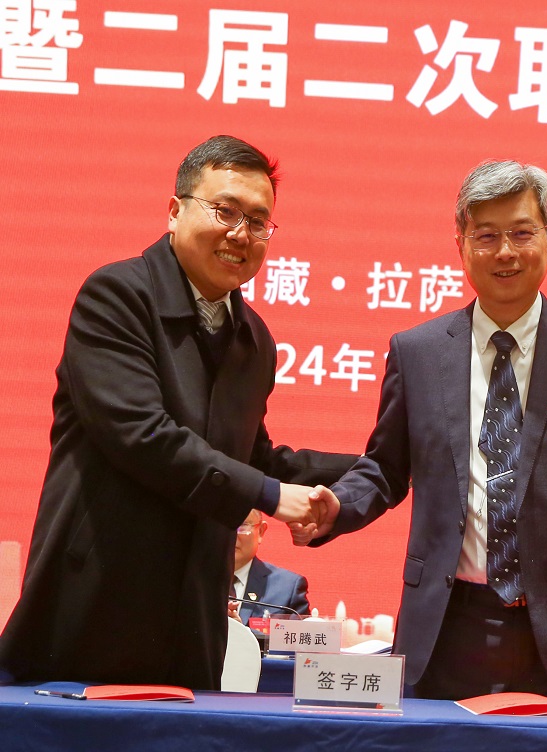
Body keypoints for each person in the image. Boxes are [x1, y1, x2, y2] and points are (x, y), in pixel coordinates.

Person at [0, 135, 356, 690]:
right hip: (97, 598)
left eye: (258, 221)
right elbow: (143, 435)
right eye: (225, 211)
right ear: (174, 211)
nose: (241, 234)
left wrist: (377, 466)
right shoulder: (117, 296)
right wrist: (268, 495)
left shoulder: (254, 337)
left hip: (195, 615)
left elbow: (252, 455)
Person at [294, 160, 547, 704]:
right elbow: (386, 468)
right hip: (444, 629)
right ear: (460, 244)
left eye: (522, 233)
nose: (505, 252)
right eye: (486, 236)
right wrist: (339, 506)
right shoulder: (418, 352)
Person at [228, 509, 310, 625]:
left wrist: (241, 632)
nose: (230, 535)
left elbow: (299, 636)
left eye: (242, 526)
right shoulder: (199, 580)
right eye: (220, 526)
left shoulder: (287, 588)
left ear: (261, 531)